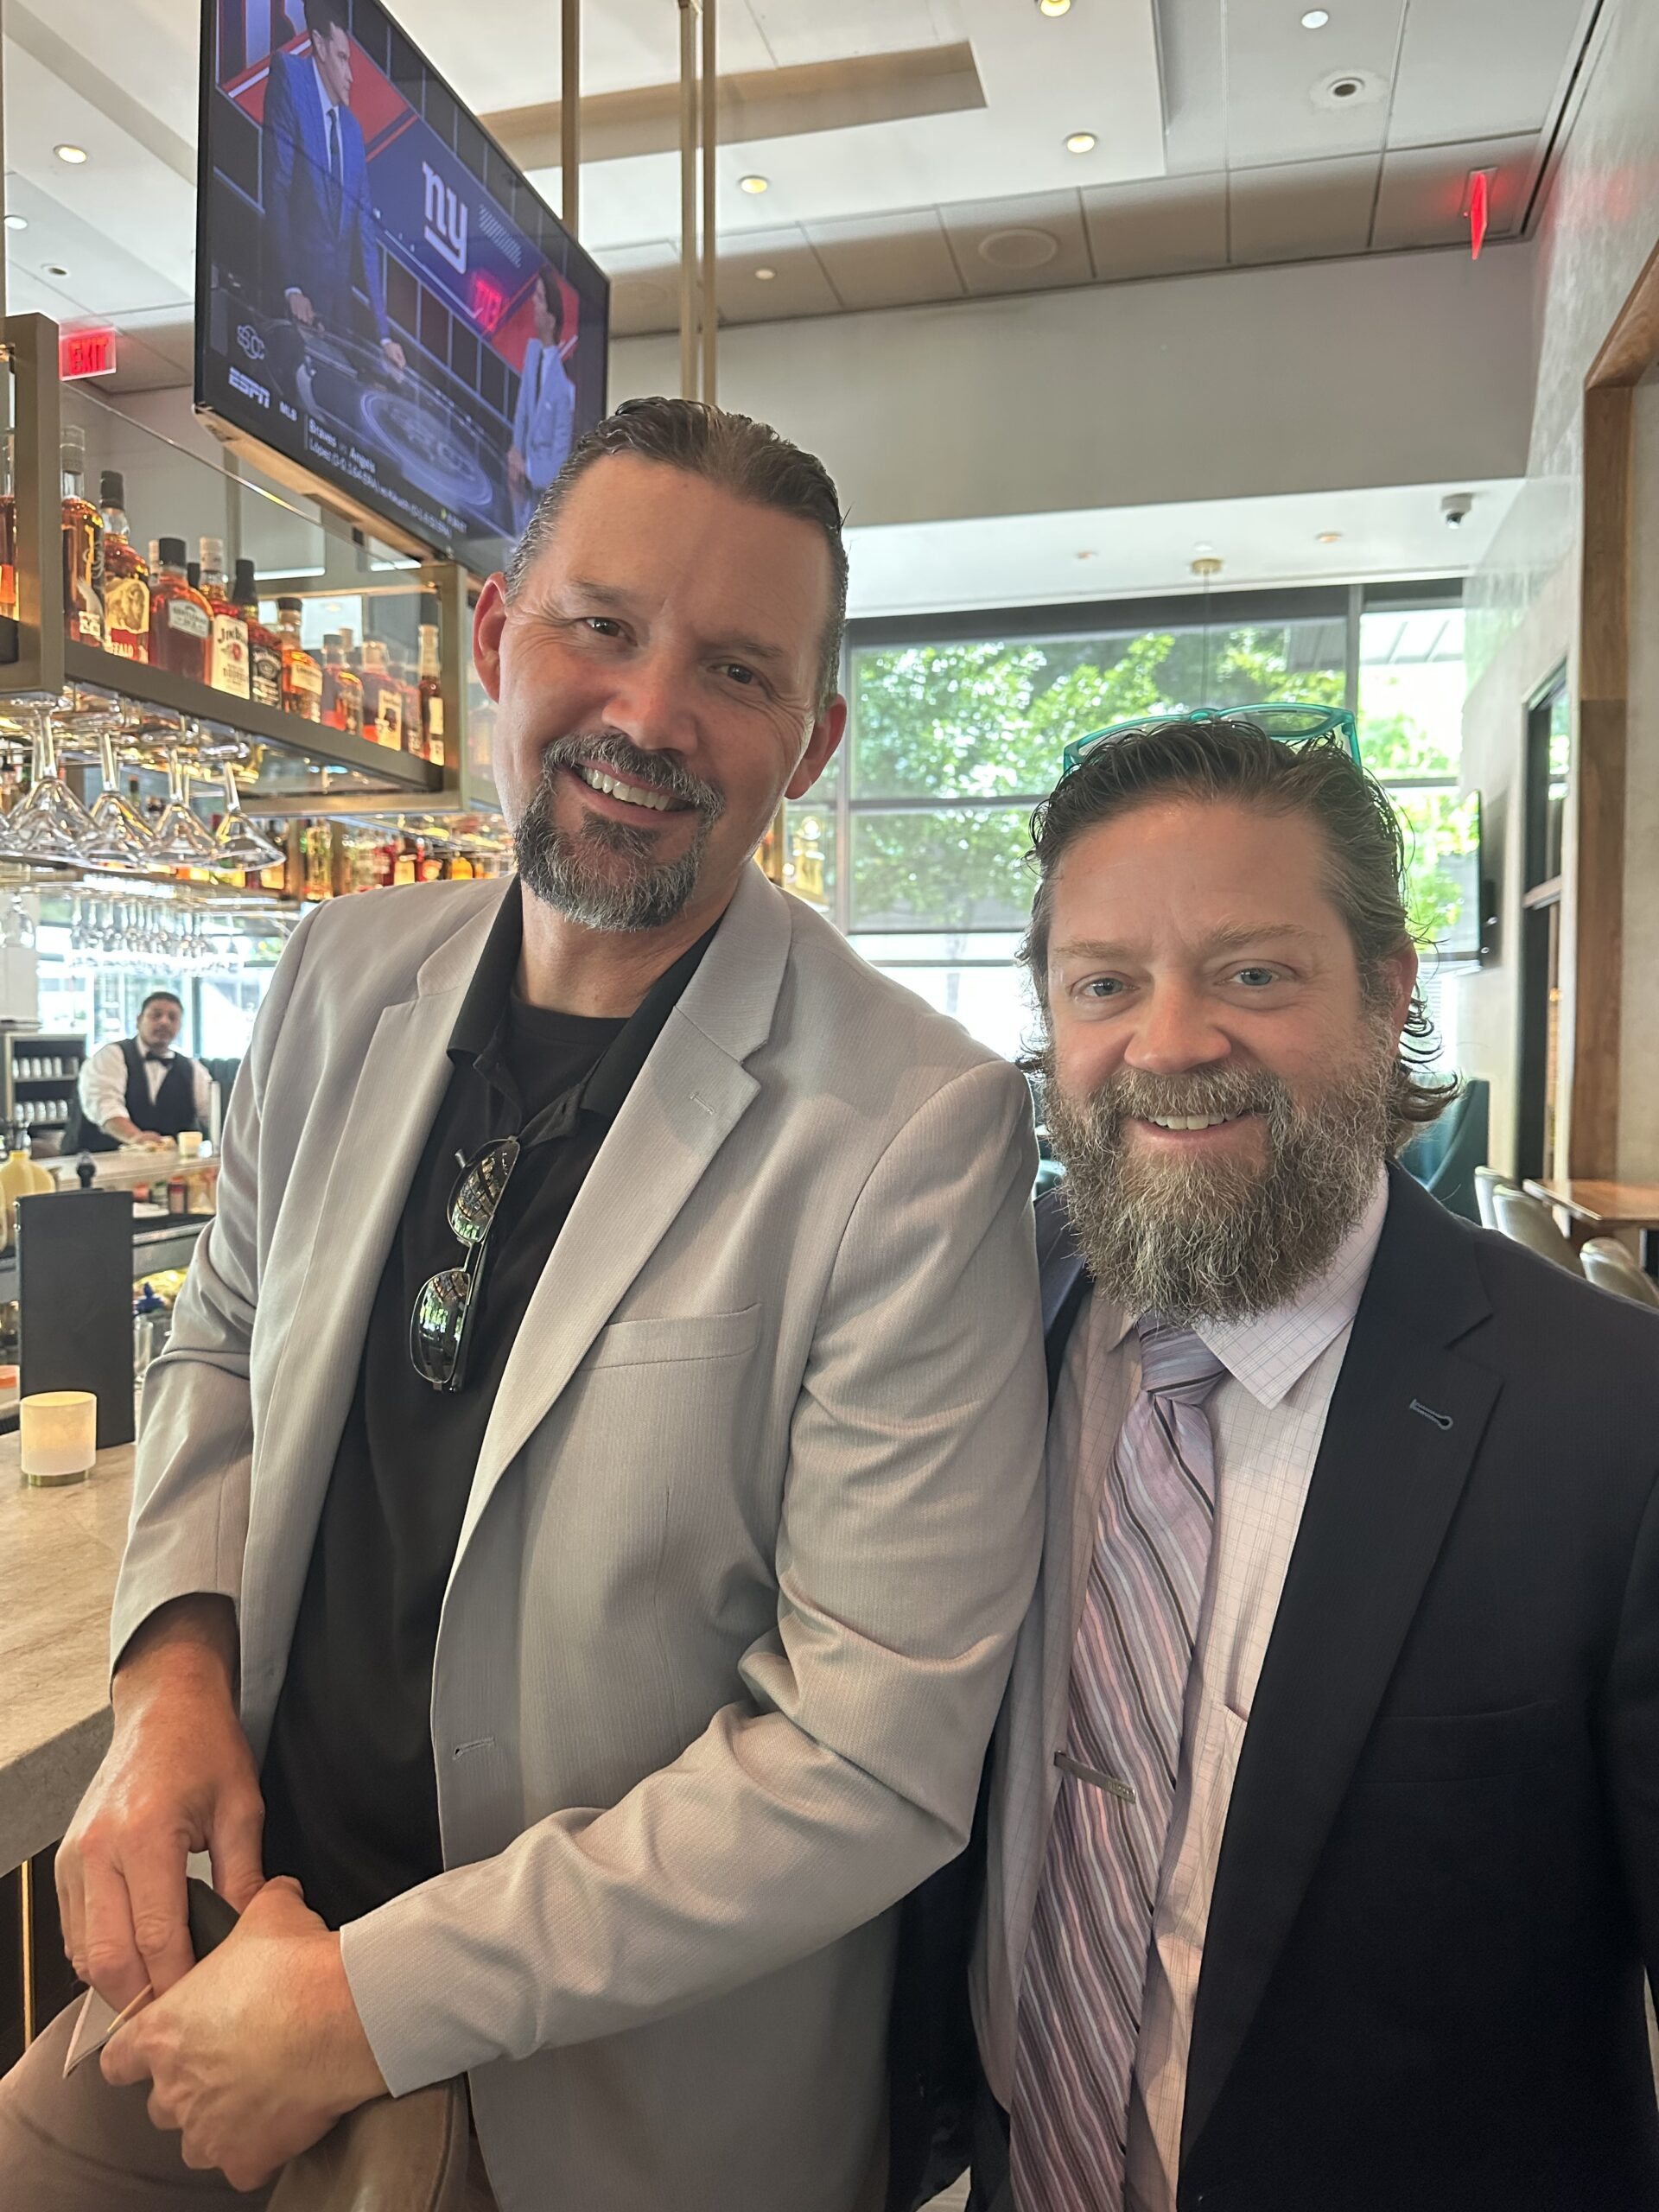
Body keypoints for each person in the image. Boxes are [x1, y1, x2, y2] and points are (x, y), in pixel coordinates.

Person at [0, 397, 1046, 2212]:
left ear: (813, 743)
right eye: (602, 625)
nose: (650, 714)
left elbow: (866, 1754)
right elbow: (224, 1338)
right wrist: (170, 1670)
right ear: (494, 633)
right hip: (227, 1945)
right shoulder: (340, 971)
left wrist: (369, 2005)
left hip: (599, 2094)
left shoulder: (914, 1126)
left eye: (737, 669)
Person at [966, 715, 1659, 2212]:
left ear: (1388, 994)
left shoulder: (1617, 1428)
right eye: (1104, 984)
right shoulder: (975, 1322)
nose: (1170, 1044)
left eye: (1254, 974)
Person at [262, 0, 407, 374]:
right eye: (342, 59)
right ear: (319, 46)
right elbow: (277, 186)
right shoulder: (290, 76)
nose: (350, 76)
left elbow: (365, 237)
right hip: (290, 300)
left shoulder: (353, 131)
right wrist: (291, 286)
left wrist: (384, 336)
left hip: (335, 316)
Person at [64, 990, 211, 1154]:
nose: (164, 1022)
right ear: (139, 1020)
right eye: (156, 1015)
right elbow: (106, 1106)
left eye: (173, 1017)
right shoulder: (110, 1056)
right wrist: (135, 1137)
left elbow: (211, 1112)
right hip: (96, 1161)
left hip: (166, 1166)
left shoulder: (193, 1068)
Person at [508, 270, 577, 532]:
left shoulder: (564, 388)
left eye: (539, 298)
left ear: (551, 318)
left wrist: (526, 468)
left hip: (542, 508)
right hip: (519, 491)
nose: (533, 303)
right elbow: (521, 413)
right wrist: (515, 456)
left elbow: (559, 462)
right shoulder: (532, 354)